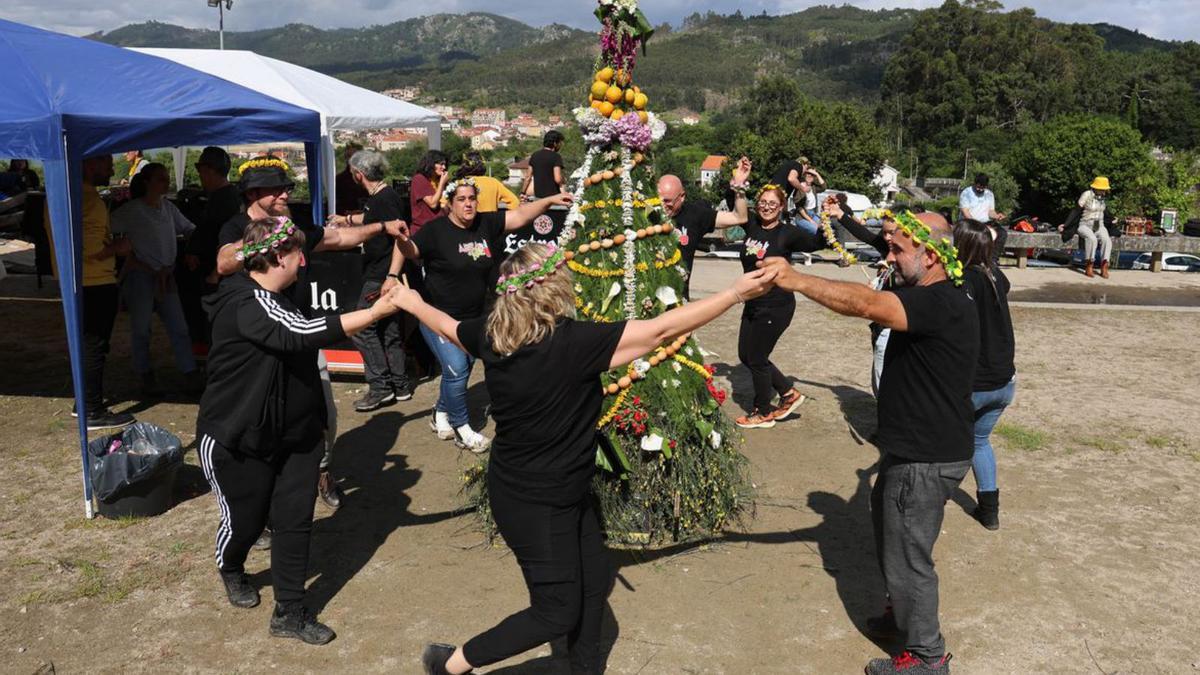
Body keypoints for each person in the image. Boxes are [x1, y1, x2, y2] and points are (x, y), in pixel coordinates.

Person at [391, 243, 777, 675]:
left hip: (562, 491)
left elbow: (448, 326)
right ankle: (450, 664)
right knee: (554, 612)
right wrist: (734, 296)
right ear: (553, 288)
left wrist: (410, 300)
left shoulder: (492, 334)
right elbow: (660, 331)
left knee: (593, 583)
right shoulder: (571, 343)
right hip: (533, 502)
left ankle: (582, 670)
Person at [759, 210, 979, 675]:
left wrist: (797, 280)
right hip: (912, 450)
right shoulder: (934, 290)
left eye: (899, 250)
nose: (890, 257)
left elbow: (865, 304)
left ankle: (926, 656)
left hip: (925, 457)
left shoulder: (939, 302)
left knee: (908, 556)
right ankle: (902, 616)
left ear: (933, 255)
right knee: (891, 536)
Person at [197, 216, 408, 646]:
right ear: (278, 257)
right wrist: (374, 312)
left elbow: (305, 321)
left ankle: (290, 612)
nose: (305, 261)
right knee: (247, 521)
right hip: (239, 438)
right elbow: (302, 333)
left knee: (295, 522)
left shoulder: (280, 296)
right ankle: (232, 567)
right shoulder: (245, 301)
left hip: (294, 435)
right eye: (299, 255)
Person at [217, 158, 407, 510]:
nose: (286, 194)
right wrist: (264, 240)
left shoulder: (293, 224)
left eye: (286, 188)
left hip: (302, 335)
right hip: (262, 345)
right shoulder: (235, 226)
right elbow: (224, 262)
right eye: (277, 189)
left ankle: (320, 471)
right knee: (264, 421)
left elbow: (336, 237)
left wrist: (383, 227)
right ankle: (261, 502)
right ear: (254, 194)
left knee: (324, 415)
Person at [386, 180, 574, 452]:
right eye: (461, 199)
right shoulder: (435, 231)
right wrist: (400, 248)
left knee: (459, 370)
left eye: (472, 198)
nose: (468, 203)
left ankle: (439, 414)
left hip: (474, 317)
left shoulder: (485, 224)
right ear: (449, 203)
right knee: (457, 370)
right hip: (436, 314)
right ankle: (463, 429)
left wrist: (549, 200)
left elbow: (520, 215)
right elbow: (411, 250)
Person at [43, 154, 135, 430]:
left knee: (87, 345)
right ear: (89, 164)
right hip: (93, 282)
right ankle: (92, 410)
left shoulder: (66, 194)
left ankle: (85, 403)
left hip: (80, 280)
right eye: (106, 163)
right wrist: (117, 248)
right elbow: (87, 248)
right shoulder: (83, 198)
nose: (110, 168)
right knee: (94, 347)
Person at [327, 149, 414, 412]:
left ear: (359, 174)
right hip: (383, 272)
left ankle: (380, 387)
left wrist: (391, 275)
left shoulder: (384, 199)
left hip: (380, 274)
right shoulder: (381, 197)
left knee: (362, 327)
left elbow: (400, 237)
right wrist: (346, 220)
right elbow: (373, 219)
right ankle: (400, 386)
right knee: (389, 330)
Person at [734, 184, 823, 429]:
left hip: (776, 304)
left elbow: (816, 243)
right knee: (746, 355)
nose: (767, 207)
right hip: (752, 301)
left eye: (773, 203)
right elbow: (738, 208)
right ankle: (787, 393)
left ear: (782, 207)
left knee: (758, 357)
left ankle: (763, 411)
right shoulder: (752, 225)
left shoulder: (787, 233)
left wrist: (828, 221)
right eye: (763, 202)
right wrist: (740, 186)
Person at [109, 163, 201, 395]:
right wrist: (125, 251)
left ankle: (189, 371)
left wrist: (194, 249)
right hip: (141, 275)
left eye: (166, 178)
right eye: (161, 178)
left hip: (166, 275)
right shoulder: (131, 210)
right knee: (141, 328)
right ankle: (144, 373)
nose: (166, 182)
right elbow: (105, 228)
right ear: (147, 182)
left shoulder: (168, 208)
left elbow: (190, 229)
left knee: (179, 327)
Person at [955, 219, 1016, 531]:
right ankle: (989, 512)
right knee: (979, 441)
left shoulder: (964, 281)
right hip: (1005, 382)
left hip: (976, 385)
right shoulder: (996, 275)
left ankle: (930, 500)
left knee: (949, 443)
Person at [823, 197, 899, 395]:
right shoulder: (887, 247)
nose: (888, 238)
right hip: (880, 325)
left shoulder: (915, 257)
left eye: (893, 233)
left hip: (896, 328)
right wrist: (840, 215)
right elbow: (866, 235)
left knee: (889, 378)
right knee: (879, 377)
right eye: (885, 233)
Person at [656, 156, 751, 298]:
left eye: (668, 201)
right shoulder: (645, 214)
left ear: (682, 196)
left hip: (678, 300)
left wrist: (739, 185)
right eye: (658, 199)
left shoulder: (695, 214)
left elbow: (739, 217)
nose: (662, 205)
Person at [181, 147, 241, 343]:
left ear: (209, 170)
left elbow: (215, 232)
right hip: (215, 267)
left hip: (217, 270)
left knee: (211, 317)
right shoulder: (223, 196)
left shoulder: (225, 199)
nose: (200, 176)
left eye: (201, 171)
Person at [1073, 176, 1112, 279]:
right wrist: (1067, 225)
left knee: (1107, 240)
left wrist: (1113, 220)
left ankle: (1104, 266)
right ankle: (1089, 264)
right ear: (1096, 187)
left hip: (1099, 225)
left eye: (1105, 189)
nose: (1103, 191)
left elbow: (1105, 212)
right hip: (1085, 224)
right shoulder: (1087, 194)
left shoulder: (1103, 198)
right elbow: (1076, 210)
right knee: (1092, 239)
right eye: (1102, 189)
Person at [454, 152, 519, 213]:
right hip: (491, 223)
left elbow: (445, 206)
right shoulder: (493, 182)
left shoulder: (460, 184)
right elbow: (515, 203)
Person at [410, 150, 449, 235]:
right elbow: (433, 203)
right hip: (423, 230)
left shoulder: (439, 181)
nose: (444, 167)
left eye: (445, 164)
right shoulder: (419, 179)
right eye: (441, 164)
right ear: (431, 164)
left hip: (440, 228)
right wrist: (442, 183)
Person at [522, 130, 566, 199]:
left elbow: (528, 177)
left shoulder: (535, 155)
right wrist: (563, 179)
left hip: (538, 196)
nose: (560, 146)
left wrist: (522, 192)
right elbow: (557, 179)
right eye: (559, 143)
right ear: (555, 143)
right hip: (554, 196)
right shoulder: (556, 157)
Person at [334, 142, 368, 216]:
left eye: (353, 156)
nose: (350, 159)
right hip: (346, 220)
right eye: (348, 156)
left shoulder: (369, 177)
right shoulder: (339, 180)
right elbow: (335, 204)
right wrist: (348, 213)